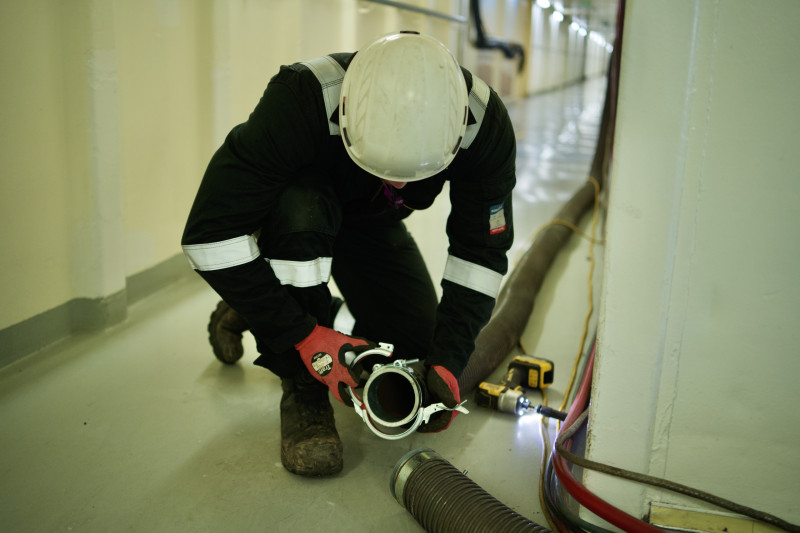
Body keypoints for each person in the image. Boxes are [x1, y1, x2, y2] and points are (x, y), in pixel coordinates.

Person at [181, 31, 516, 477]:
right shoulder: (299, 100)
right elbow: (208, 236)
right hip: (295, 224)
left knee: (417, 344)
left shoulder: (483, 126)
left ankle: (253, 306)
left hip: (370, 223)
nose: (400, 186)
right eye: (387, 170)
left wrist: (451, 360)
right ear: (346, 116)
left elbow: (480, 254)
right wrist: (302, 337)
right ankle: (304, 391)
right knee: (302, 210)